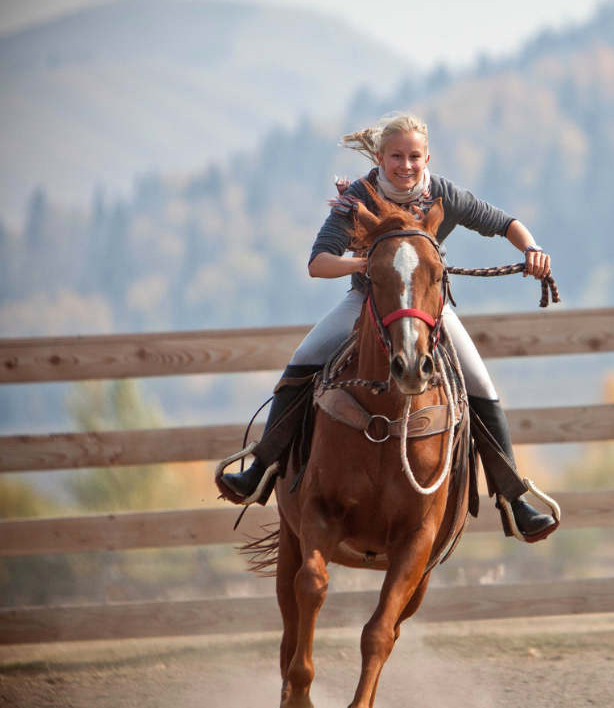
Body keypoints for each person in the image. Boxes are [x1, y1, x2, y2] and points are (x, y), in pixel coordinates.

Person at [218, 111, 557, 541]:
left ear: (427, 156)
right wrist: (369, 264)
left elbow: (505, 224)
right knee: (304, 358)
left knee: (481, 385)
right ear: (380, 156)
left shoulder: (444, 195)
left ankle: (513, 499)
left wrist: (534, 249)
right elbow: (317, 264)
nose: (406, 165)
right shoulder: (358, 197)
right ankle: (262, 469)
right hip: (367, 301)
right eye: (396, 155)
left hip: (427, 306)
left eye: (414, 156)